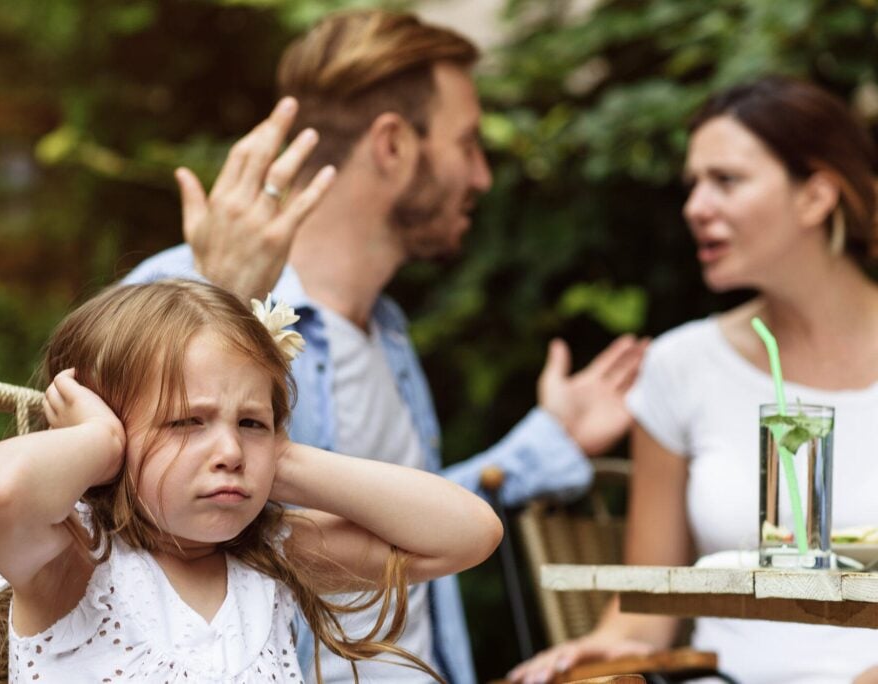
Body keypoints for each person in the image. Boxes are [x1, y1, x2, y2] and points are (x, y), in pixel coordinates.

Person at [124, 10, 647, 682]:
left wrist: (545, 446)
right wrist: (223, 295)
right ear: (393, 145)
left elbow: (372, 527)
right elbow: (100, 517)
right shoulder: (182, 290)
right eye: (468, 145)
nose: (483, 177)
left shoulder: (387, 332)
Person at [507, 76, 878, 684]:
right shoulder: (683, 367)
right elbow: (651, 604)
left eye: (725, 181)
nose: (695, 207)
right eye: (693, 185)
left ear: (815, 196)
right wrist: (608, 643)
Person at [0, 278, 503, 683]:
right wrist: (103, 442)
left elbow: (470, 533)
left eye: (250, 422)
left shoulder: (270, 556)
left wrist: (281, 461)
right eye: (186, 421)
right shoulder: (73, 560)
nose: (229, 451)